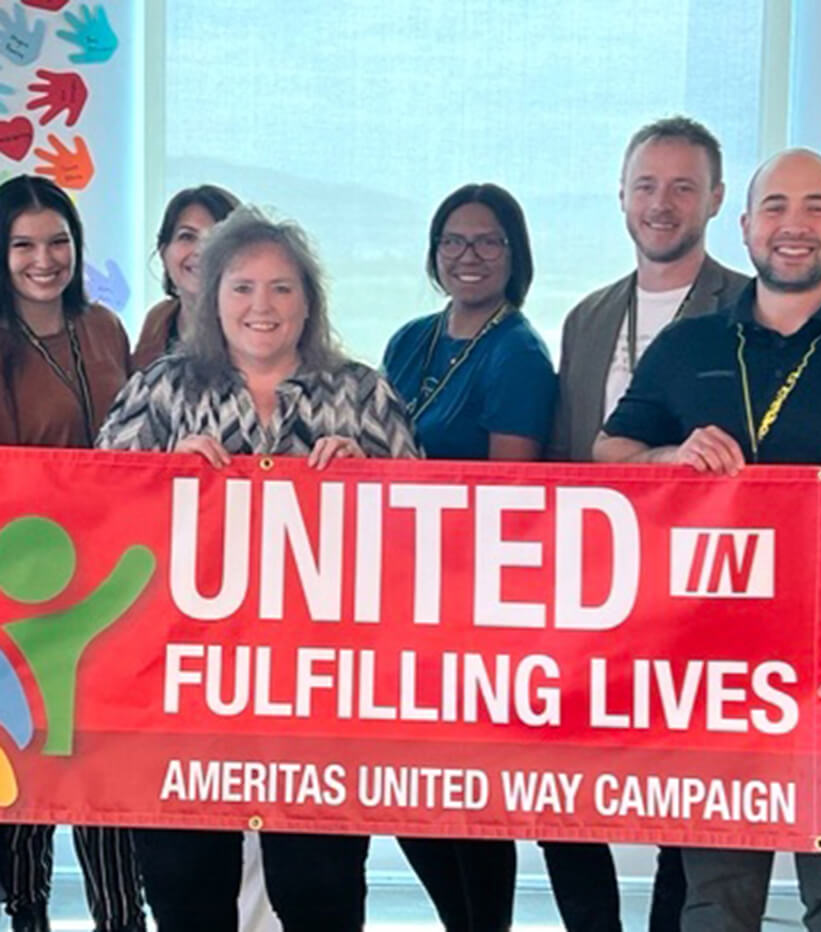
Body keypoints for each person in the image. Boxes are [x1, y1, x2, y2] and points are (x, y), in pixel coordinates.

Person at [97, 205, 419, 931]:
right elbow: (98, 521)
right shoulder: (161, 390)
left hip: (320, 695)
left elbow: (425, 540)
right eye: (242, 287)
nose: (261, 307)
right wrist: (155, 478)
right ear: (211, 298)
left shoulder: (362, 394)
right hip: (181, 691)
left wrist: (373, 483)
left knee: (322, 889)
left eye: (281, 288)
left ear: (309, 301)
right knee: (185, 887)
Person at [594, 148, 821, 931]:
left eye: (817, 207)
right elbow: (610, 454)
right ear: (745, 224)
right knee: (715, 903)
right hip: (717, 670)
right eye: (777, 207)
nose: (795, 226)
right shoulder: (691, 345)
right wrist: (667, 455)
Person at [544, 115, 748, 932]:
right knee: (557, 788)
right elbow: (570, 455)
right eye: (646, 186)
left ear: (716, 200)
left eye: (682, 187)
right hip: (597, 589)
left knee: (687, 799)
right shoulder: (589, 316)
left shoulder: (751, 308)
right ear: (622, 197)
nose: (661, 204)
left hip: (702, 594)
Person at [382, 183, 556, 931]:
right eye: (454, 241)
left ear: (514, 255)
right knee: (404, 788)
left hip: (470, 599)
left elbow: (504, 493)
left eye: (488, 242)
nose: (469, 256)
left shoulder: (519, 353)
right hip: (396, 594)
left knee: (465, 790)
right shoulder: (409, 338)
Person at [0, 175, 145, 932]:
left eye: (57, 241)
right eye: (23, 244)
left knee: (105, 764)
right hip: (21, 599)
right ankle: (26, 912)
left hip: (108, 590)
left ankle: (121, 916)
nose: (44, 259)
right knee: (29, 763)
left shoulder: (106, 331)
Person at [132, 183, 239, 369]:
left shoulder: (256, 325)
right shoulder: (157, 321)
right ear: (164, 252)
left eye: (216, 238)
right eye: (187, 237)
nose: (201, 251)